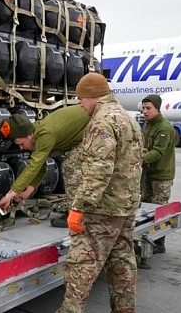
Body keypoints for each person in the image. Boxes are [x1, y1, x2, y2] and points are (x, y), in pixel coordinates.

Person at [56, 73, 143, 313]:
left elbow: (99, 169)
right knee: (122, 261)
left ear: (91, 96)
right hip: (125, 206)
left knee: (81, 263)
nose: (81, 105)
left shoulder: (102, 121)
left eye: (81, 99)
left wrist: (79, 206)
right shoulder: (129, 119)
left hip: (102, 209)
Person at [0, 106, 91, 229]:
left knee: (71, 168)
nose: (21, 148)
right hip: (84, 135)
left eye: (21, 144)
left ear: (29, 135)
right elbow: (41, 167)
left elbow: (34, 166)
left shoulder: (45, 134)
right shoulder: (36, 135)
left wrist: (10, 194)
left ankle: (79, 215)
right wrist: (27, 192)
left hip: (95, 130)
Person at [140, 94, 176, 255]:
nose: (145, 112)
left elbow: (158, 153)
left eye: (148, 108)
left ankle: (159, 243)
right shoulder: (149, 124)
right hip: (148, 174)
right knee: (146, 209)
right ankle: (147, 240)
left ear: (157, 108)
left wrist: (137, 159)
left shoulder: (163, 127)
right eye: (143, 108)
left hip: (161, 176)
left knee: (159, 210)